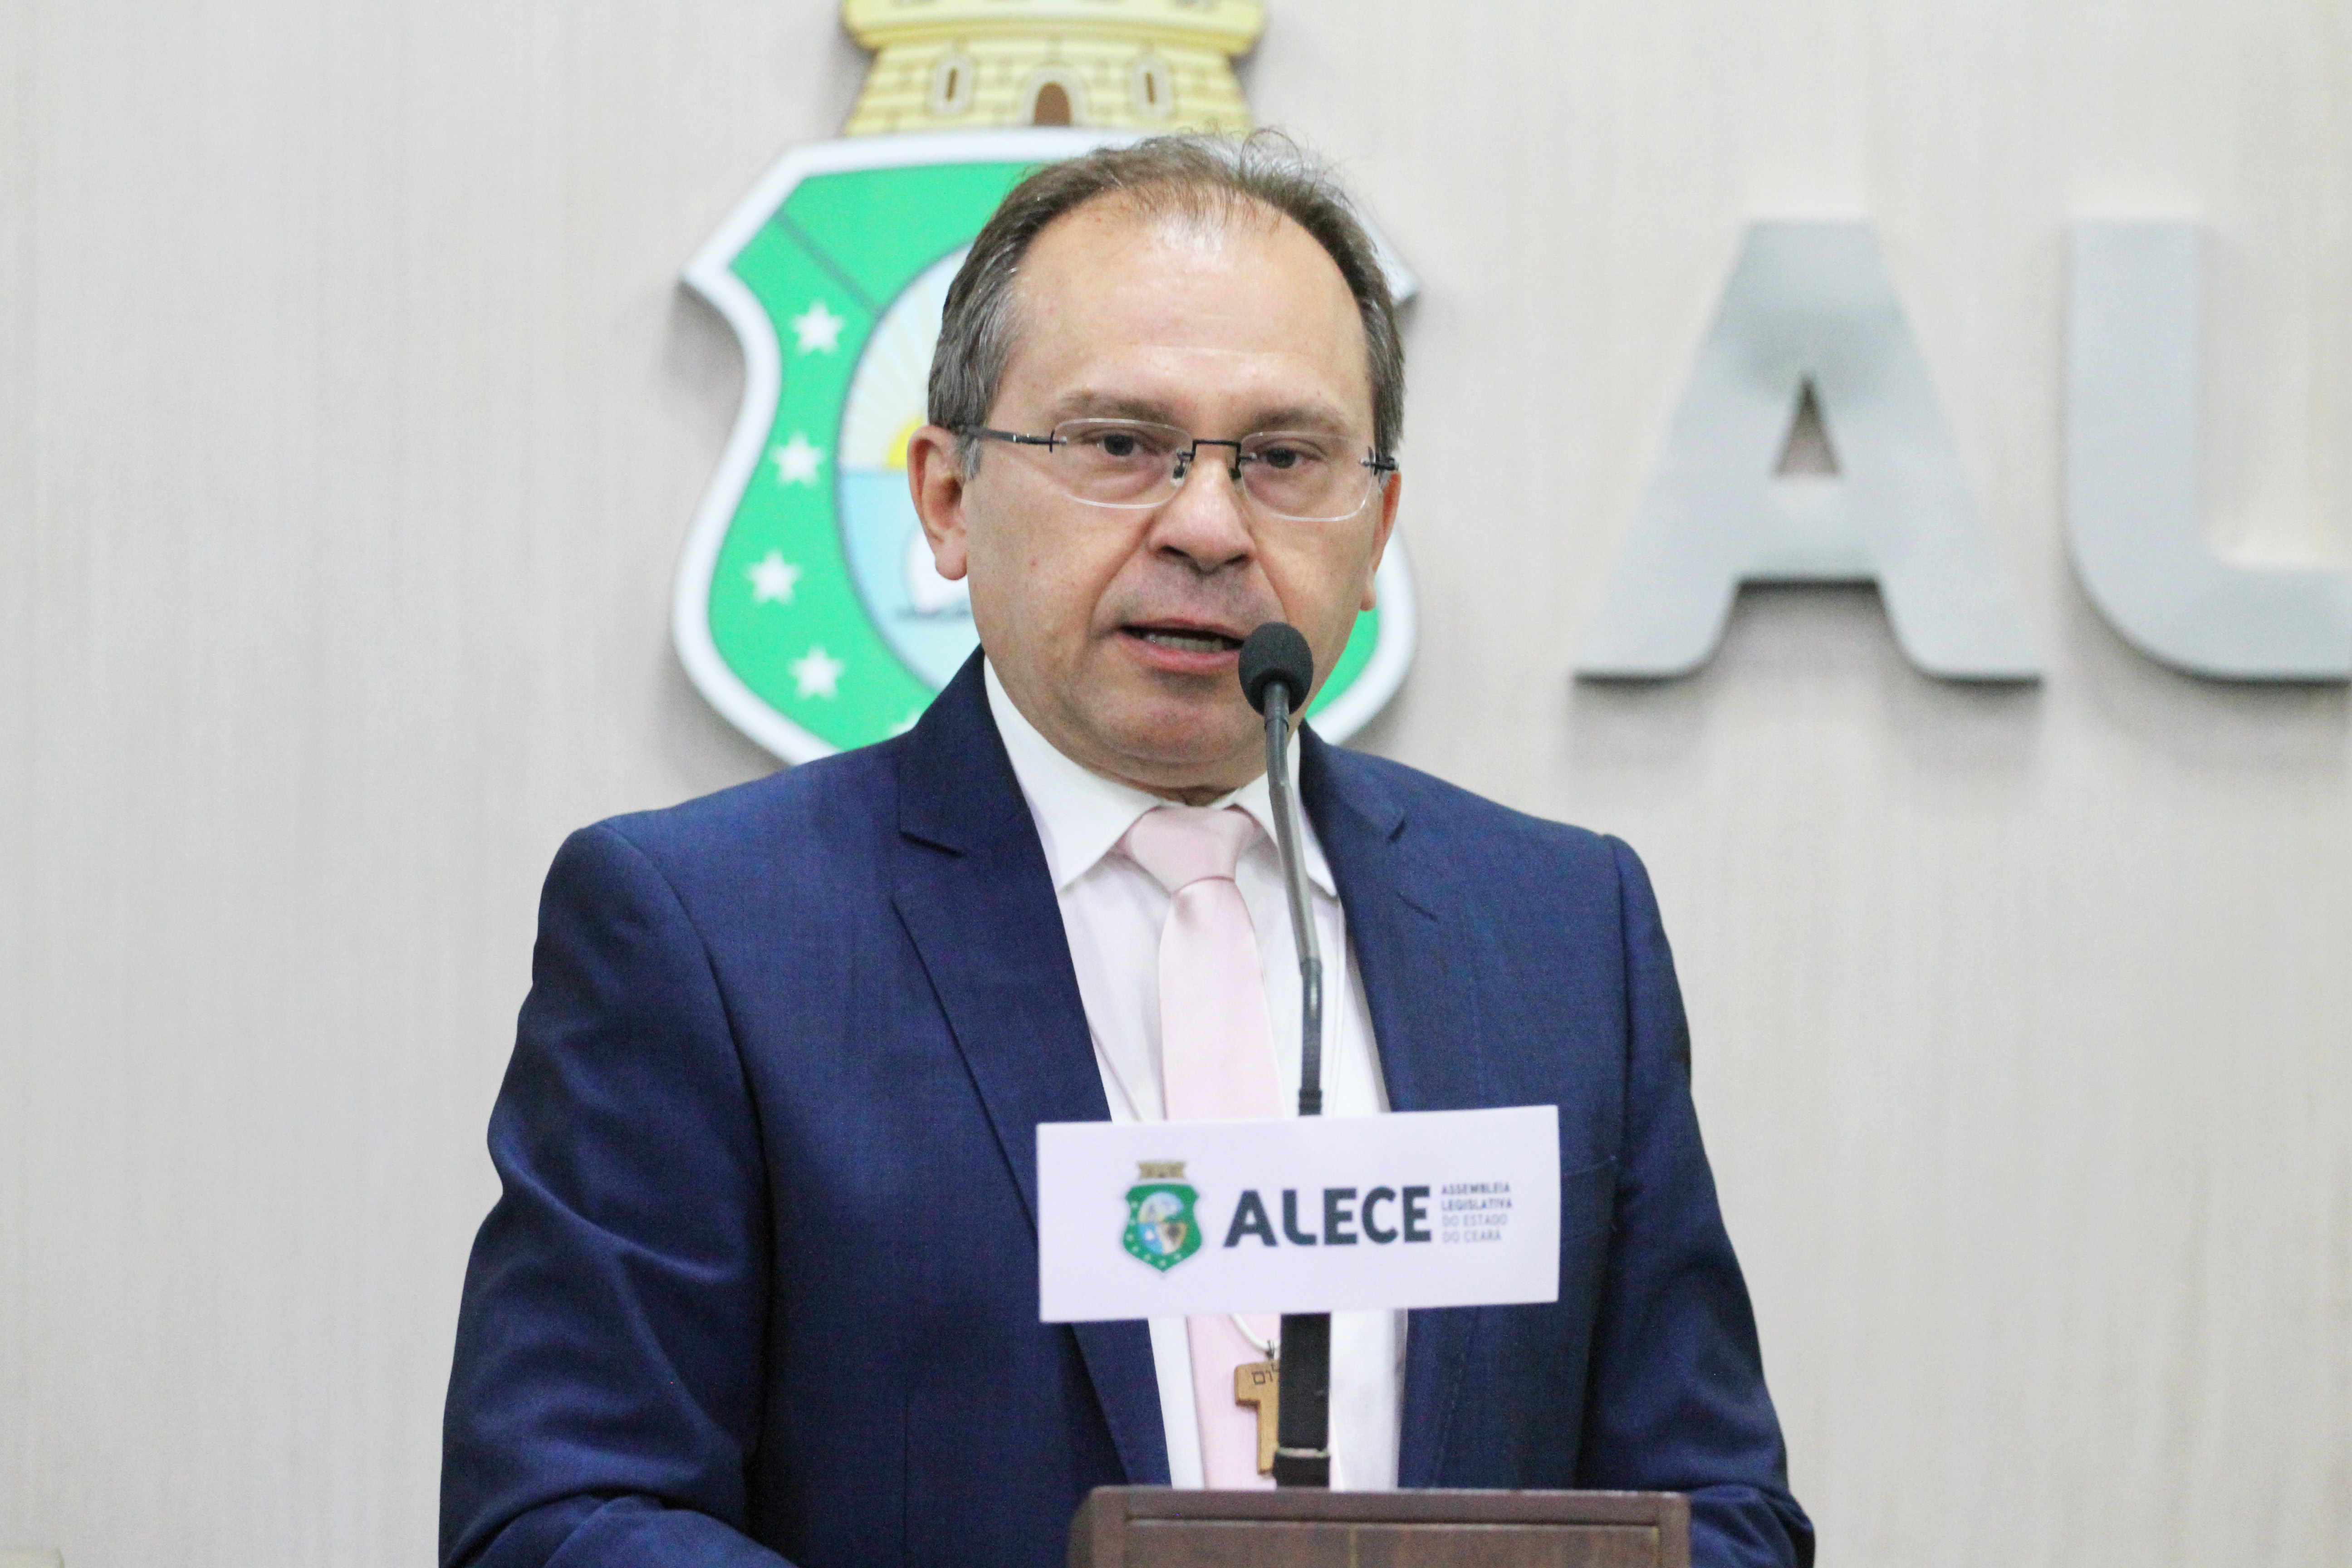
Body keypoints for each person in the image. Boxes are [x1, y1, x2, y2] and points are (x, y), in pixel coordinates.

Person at [440, 134, 1813, 1568]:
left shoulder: (1561, 934)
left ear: (1377, 526)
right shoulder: (710, 935)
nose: (1209, 527)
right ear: (948, 498)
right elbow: (566, 1520)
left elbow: (1722, 1507)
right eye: (1118, 445)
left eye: (1284, 459)